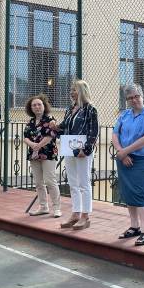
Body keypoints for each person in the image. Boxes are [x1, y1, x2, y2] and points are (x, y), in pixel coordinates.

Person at [112, 83, 144, 247]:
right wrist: (121, 152)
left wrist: (125, 151)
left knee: (140, 193)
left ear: (142, 96)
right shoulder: (124, 115)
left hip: (142, 159)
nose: (134, 100)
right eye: (130, 98)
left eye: (136, 96)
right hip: (123, 157)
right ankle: (134, 226)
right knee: (128, 192)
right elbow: (115, 134)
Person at [50, 80, 98, 230]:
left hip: (82, 149)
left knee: (84, 182)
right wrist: (55, 127)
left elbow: (94, 131)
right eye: (71, 90)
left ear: (82, 91)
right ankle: (75, 213)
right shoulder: (70, 109)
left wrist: (86, 149)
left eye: (74, 90)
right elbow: (64, 127)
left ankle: (85, 216)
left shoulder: (90, 109)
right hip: (68, 146)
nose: (71, 92)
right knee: (72, 182)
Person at [23, 94, 62, 218]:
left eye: (39, 104)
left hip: (48, 153)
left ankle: (57, 208)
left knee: (50, 181)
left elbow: (50, 136)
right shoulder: (30, 122)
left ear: (44, 106)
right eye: (34, 105)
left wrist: (38, 146)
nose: (37, 107)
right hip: (34, 155)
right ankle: (43, 207)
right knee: (38, 182)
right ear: (31, 108)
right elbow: (25, 137)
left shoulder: (50, 120)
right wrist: (32, 145)